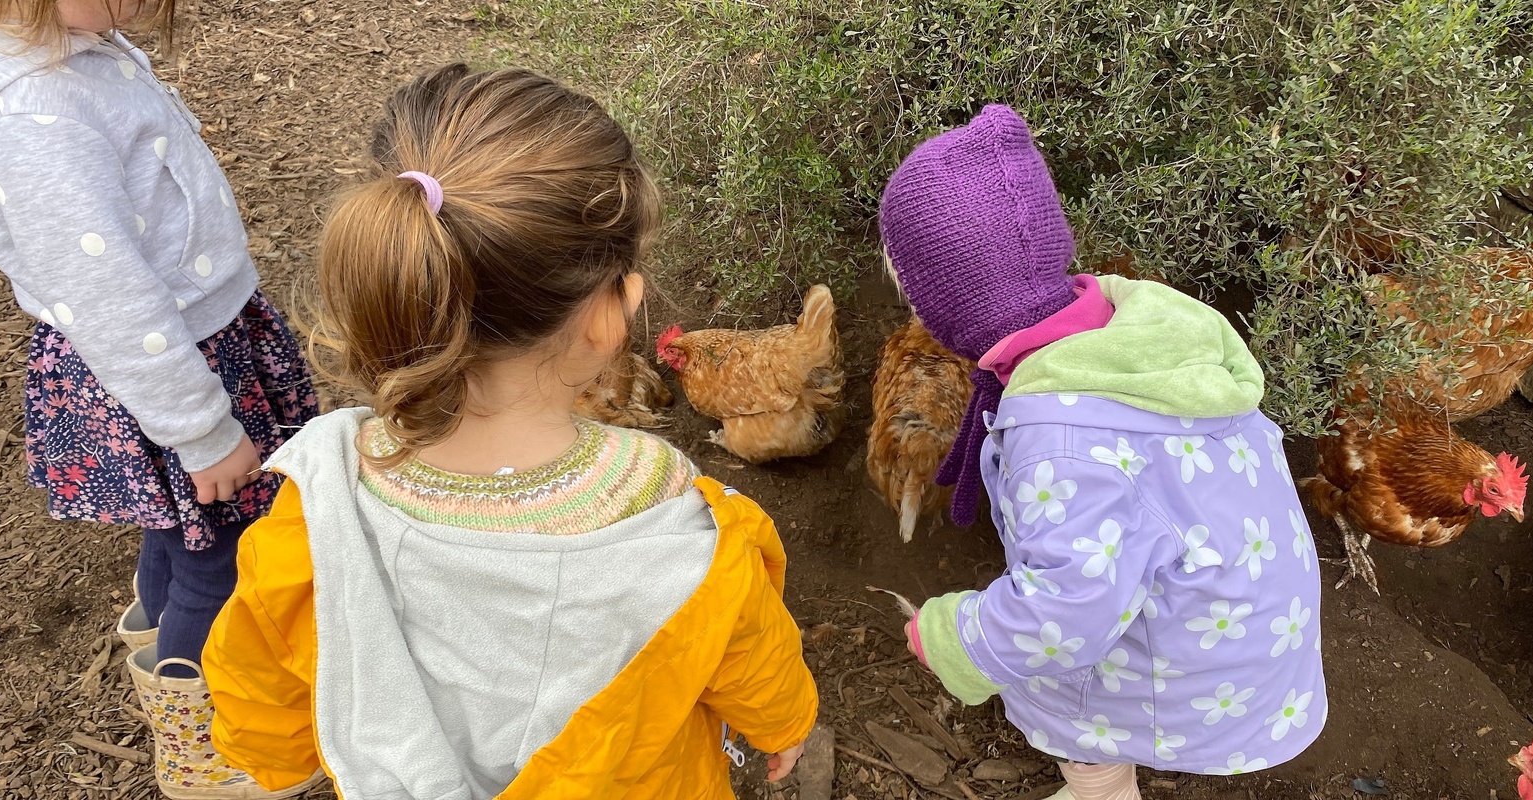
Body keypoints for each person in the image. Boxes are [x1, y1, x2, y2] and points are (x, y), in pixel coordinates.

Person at [200, 64, 819, 799]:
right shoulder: (674, 524)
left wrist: (271, 752)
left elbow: (260, 674)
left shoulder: (322, 504)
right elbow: (749, 650)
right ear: (604, 318)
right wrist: (785, 725)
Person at [882, 105, 1327, 800]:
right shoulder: (1134, 335)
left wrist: (954, 638)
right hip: (1249, 617)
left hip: (1202, 666)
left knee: (1058, 688)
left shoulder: (1057, 437)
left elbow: (1065, 614)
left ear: (948, 307)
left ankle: (1102, 790)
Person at [0, 2, 318, 796]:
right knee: (226, 552)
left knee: (185, 531)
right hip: (167, 364)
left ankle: (161, 649)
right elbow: (107, 294)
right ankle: (208, 750)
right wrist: (203, 430)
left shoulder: (79, 43)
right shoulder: (39, 107)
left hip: (183, 346)